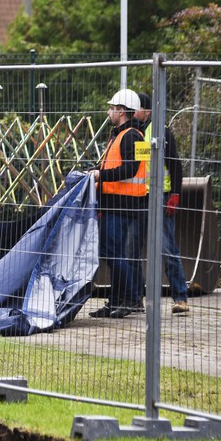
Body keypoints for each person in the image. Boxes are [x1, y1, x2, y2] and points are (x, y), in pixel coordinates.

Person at [89, 89, 147, 319]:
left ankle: (131, 297)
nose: (109, 112)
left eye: (112, 108)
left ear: (121, 111)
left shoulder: (131, 136)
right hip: (116, 203)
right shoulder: (121, 135)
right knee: (112, 252)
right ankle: (115, 301)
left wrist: (99, 176)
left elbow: (131, 169)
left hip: (123, 204)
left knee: (112, 252)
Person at [134, 92, 190, 314]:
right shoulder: (133, 132)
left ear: (146, 110)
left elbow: (175, 163)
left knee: (167, 248)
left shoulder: (160, 131)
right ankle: (135, 297)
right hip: (138, 198)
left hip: (161, 196)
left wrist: (175, 193)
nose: (133, 112)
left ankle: (181, 298)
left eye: (136, 108)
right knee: (134, 248)